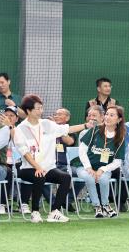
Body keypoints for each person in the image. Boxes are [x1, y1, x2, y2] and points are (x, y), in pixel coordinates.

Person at [15, 95, 92, 223]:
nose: (41, 111)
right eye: (38, 108)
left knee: (65, 177)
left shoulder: (47, 124)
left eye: (41, 108)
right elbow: (25, 153)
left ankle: (54, 211)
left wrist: (86, 125)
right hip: (29, 168)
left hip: (49, 168)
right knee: (39, 175)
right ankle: (35, 212)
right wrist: (37, 167)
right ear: (29, 111)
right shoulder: (20, 129)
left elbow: (67, 129)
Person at [74, 105, 126, 218]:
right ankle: (97, 206)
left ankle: (106, 205)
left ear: (119, 119)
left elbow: (117, 162)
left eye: (112, 115)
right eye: (107, 114)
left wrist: (102, 169)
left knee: (103, 180)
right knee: (89, 177)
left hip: (104, 168)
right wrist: (88, 168)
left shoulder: (121, 137)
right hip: (84, 166)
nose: (107, 117)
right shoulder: (95, 130)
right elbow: (82, 150)